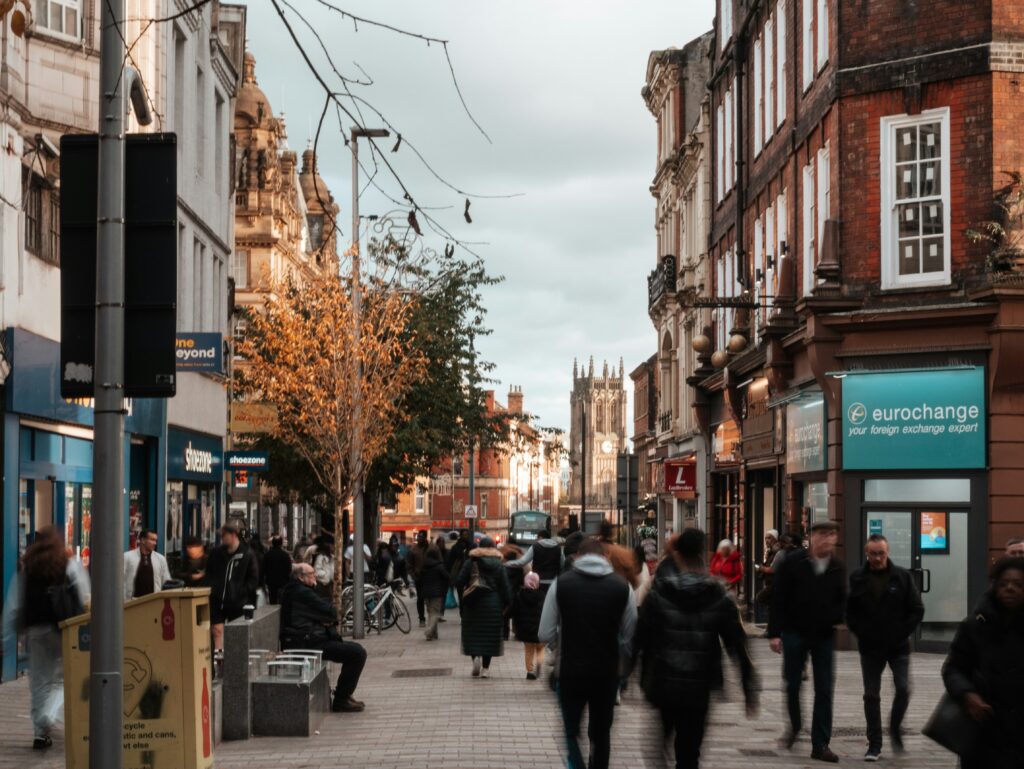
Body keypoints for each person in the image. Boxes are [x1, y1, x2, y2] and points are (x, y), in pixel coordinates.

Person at [636, 528, 758, 769]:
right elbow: (737, 644)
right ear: (703, 554)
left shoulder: (659, 592)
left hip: (664, 681)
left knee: (662, 741)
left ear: (678, 555)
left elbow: (641, 636)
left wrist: (630, 671)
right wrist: (748, 686)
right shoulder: (719, 595)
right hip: (700, 685)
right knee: (690, 751)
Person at [539, 537, 637, 769]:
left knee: (571, 730)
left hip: (571, 670)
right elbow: (630, 633)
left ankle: (578, 765)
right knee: (602, 731)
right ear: (606, 558)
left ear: (576, 557)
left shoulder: (561, 584)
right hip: (607, 671)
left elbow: (544, 632)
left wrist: (559, 646)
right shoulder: (623, 587)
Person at [3, 527, 90, 749]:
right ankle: (48, 716)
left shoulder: (27, 568)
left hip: (36, 630)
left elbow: (13, 605)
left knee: (39, 681)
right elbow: (84, 594)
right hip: (63, 628)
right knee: (62, 678)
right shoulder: (69, 565)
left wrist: (4, 639)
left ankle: (40, 733)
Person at [768, 519, 846, 763]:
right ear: (811, 537)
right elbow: (778, 597)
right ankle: (795, 724)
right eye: (822, 534)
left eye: (831, 534)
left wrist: (835, 617)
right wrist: (774, 633)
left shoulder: (837, 567)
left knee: (824, 688)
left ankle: (820, 744)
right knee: (792, 684)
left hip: (823, 635)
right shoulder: (793, 562)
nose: (826, 539)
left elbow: (841, 600)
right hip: (794, 631)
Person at [846, 534, 924, 761]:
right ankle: (875, 744)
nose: (878, 558)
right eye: (873, 553)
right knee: (871, 695)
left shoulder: (901, 577)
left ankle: (895, 727)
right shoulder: (858, 578)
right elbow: (851, 612)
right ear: (866, 554)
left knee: (903, 689)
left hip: (898, 646)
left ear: (887, 552)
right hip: (870, 648)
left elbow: (916, 609)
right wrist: (861, 633)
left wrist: (901, 632)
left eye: (881, 553)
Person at [942, 556, 1024, 768]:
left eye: (1018, 584)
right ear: (994, 587)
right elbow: (953, 668)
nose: (1010, 589)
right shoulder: (975, 625)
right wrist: (968, 694)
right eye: (1004, 583)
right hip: (984, 729)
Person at [279, 564, 366, 712]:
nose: (315, 577)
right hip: (306, 643)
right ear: (301, 577)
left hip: (306, 639)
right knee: (357, 654)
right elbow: (331, 612)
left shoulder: (295, 590)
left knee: (356, 649)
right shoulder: (302, 592)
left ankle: (344, 694)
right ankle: (341, 699)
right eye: (311, 574)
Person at [453, 536, 512, 678]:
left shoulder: (470, 562)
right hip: (493, 603)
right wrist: (508, 603)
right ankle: (485, 669)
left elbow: (459, 582)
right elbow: (505, 587)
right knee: (489, 637)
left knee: (473, 634)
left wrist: (466, 592)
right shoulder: (499, 564)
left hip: (473, 603)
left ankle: (475, 659)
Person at [207, 522, 260, 651]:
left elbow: (253, 579)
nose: (222, 538)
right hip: (217, 600)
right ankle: (218, 661)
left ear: (233, 535)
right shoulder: (216, 553)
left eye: (224, 535)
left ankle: (233, 660)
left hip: (238, 603)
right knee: (217, 631)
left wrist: (240, 592)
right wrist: (213, 588)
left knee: (235, 635)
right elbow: (209, 573)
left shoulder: (247, 554)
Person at [512, 571, 546, 679]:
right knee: (540, 649)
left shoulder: (520, 595)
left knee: (529, 651)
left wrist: (516, 627)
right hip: (540, 628)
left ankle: (530, 671)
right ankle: (539, 662)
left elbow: (515, 612)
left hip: (525, 629)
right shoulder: (542, 595)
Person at [123, 528, 171, 600]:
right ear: (143, 540)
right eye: (152, 540)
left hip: (153, 602)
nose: (155, 543)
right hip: (132, 603)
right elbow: (120, 580)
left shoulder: (160, 559)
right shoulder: (127, 556)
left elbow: (166, 582)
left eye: (155, 540)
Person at [418, 547, 449, 640]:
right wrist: (444, 588)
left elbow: (419, 579)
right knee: (434, 612)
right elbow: (447, 577)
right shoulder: (439, 566)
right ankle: (429, 631)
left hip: (426, 592)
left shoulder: (423, 566)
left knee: (430, 612)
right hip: (437, 592)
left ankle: (434, 634)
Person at [407, 531, 432, 626]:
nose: (419, 539)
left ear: (425, 538)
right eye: (418, 537)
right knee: (420, 598)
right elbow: (409, 565)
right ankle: (422, 618)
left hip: (430, 577)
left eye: (421, 537)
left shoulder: (431, 548)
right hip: (419, 578)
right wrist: (414, 575)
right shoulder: (413, 550)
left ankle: (431, 616)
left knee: (430, 599)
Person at [262, 536, 293, 605]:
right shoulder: (285, 555)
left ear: (272, 543)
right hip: (283, 581)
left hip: (271, 581)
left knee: (272, 600)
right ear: (281, 544)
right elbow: (289, 569)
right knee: (282, 600)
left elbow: (264, 568)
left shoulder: (267, 555)